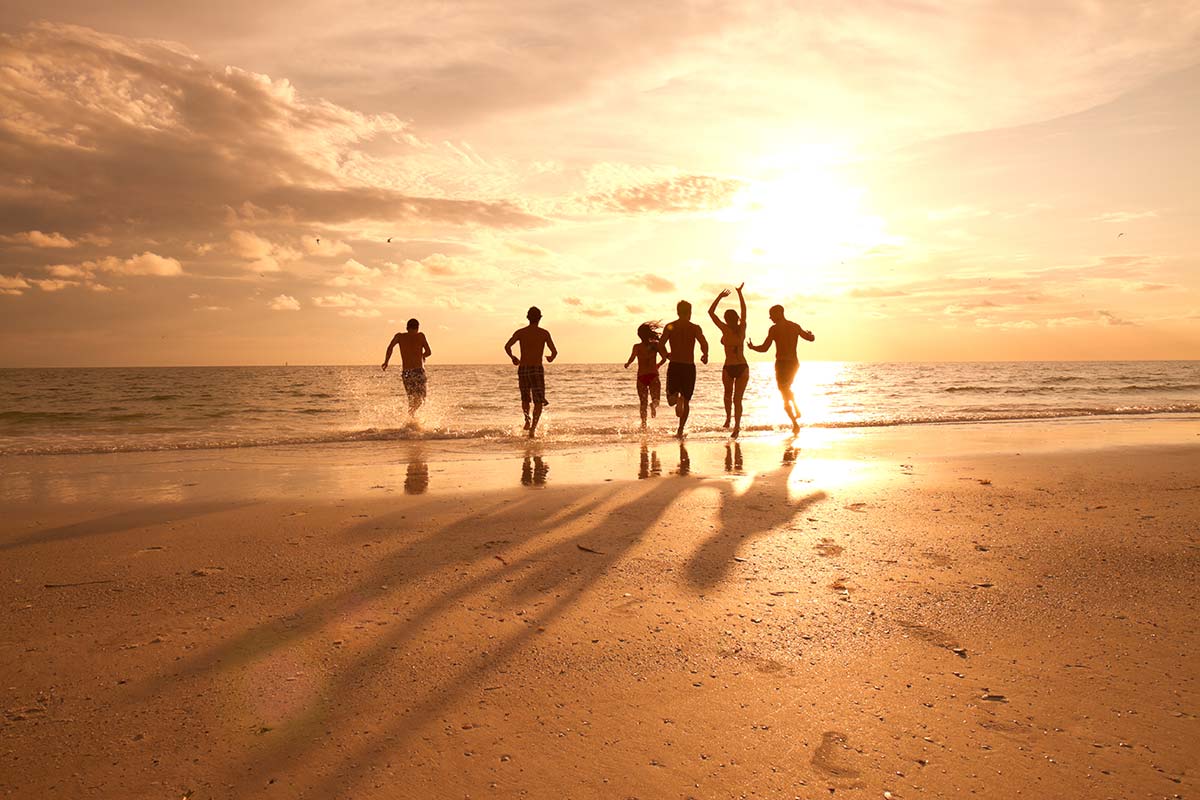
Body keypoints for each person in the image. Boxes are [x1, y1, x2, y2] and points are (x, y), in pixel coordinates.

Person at [748, 304, 815, 433]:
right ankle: (795, 412)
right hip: (794, 363)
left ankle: (795, 421)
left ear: (779, 313)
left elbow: (764, 348)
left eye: (771, 315)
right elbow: (810, 338)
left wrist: (752, 347)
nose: (770, 317)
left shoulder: (774, 329)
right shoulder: (795, 326)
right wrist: (811, 334)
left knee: (784, 392)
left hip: (782, 364)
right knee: (786, 389)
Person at [504, 306, 558, 437]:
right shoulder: (544, 333)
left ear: (528, 318)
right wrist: (550, 358)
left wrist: (513, 358)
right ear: (539, 318)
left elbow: (507, 346)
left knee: (525, 398)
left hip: (523, 368)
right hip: (536, 369)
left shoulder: (521, 332)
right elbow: (554, 352)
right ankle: (533, 429)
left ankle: (527, 420)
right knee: (538, 400)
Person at [657, 301, 708, 438]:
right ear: (689, 312)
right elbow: (703, 343)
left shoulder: (670, 326)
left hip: (675, 365)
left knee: (671, 401)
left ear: (678, 312)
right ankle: (680, 429)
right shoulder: (695, 328)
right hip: (689, 367)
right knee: (686, 401)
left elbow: (660, 345)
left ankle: (676, 398)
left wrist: (666, 355)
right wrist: (705, 355)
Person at [707, 283, 749, 438]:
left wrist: (737, 294)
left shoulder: (741, 328)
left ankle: (736, 426)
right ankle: (729, 418)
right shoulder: (725, 329)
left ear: (732, 319)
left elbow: (743, 311)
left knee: (736, 398)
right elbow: (711, 313)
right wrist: (732, 294)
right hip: (729, 367)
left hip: (741, 367)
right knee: (727, 395)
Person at [381, 318, 432, 414]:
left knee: (411, 399)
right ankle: (412, 417)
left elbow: (390, 347)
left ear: (407, 327)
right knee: (421, 399)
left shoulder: (399, 336)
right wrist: (422, 356)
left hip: (407, 373)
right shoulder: (420, 336)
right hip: (418, 371)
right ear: (417, 328)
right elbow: (429, 352)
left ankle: (410, 419)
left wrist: (386, 362)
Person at [623, 322, 664, 429]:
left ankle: (644, 424)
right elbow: (664, 357)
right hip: (653, 375)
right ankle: (653, 405)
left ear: (639, 335)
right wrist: (658, 365)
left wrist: (628, 364)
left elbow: (632, 357)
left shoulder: (637, 347)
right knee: (656, 399)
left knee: (643, 402)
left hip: (641, 376)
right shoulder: (655, 345)